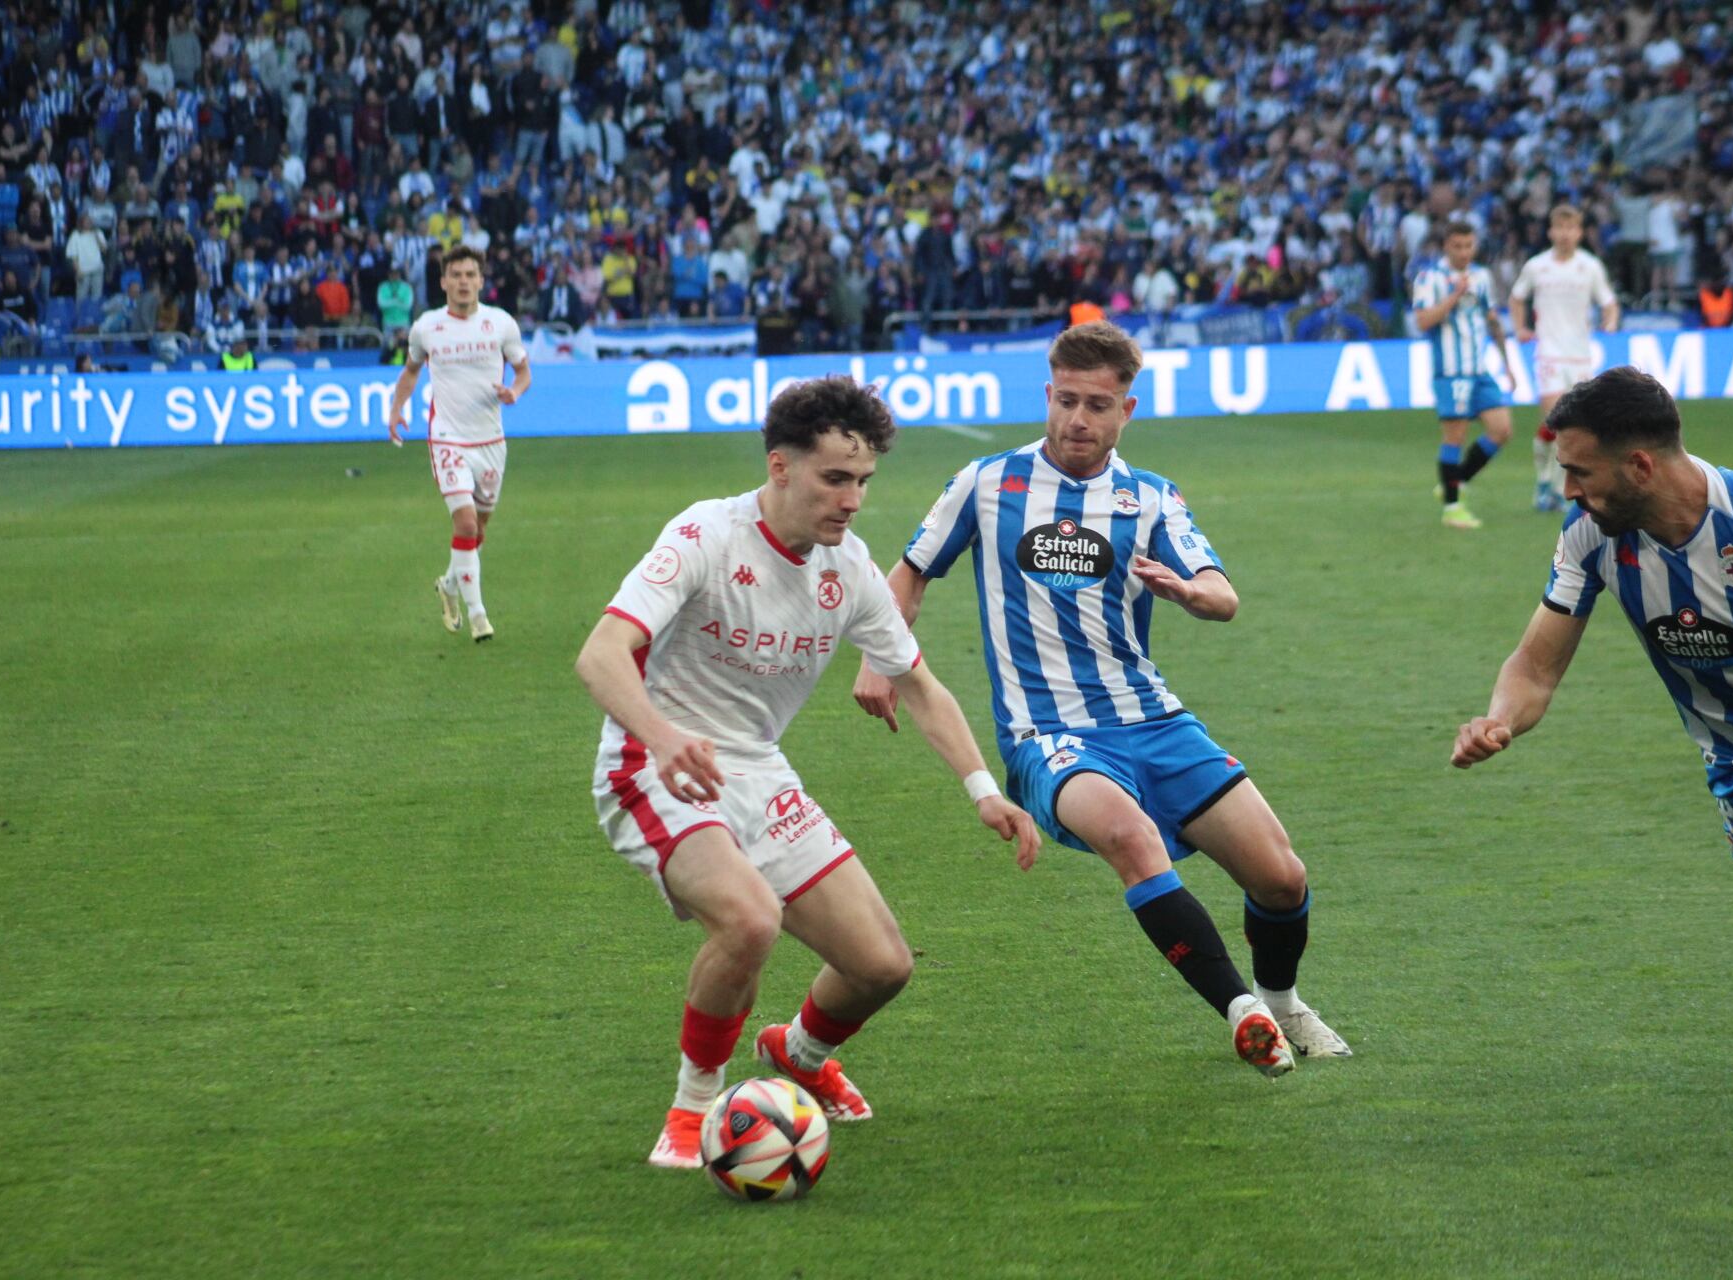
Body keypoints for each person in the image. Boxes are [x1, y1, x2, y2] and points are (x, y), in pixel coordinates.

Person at [852, 322, 1349, 1078]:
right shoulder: (987, 483)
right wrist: (878, 659)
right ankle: (1238, 1009)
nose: (1078, 419)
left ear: (1127, 411)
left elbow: (1224, 597)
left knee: (1282, 877)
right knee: (1128, 836)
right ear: (1047, 396)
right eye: (1066, 400)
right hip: (1046, 733)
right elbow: (910, 574)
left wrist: (1189, 592)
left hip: (1151, 717)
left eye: (1098, 405)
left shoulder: (1149, 498)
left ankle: (1281, 1000)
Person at [576, 376, 1039, 1169]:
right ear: (781, 467)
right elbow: (600, 655)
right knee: (750, 919)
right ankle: (694, 1108)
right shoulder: (705, 536)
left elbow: (920, 686)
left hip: (757, 771)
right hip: (653, 765)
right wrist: (658, 737)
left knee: (882, 965)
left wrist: (985, 792)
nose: (853, 500)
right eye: (835, 478)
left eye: (863, 481)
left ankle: (797, 1051)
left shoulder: (849, 570)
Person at [1452, 367, 1733, 1128]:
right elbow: (1534, 665)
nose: (1568, 490)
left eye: (1578, 471)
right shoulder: (1591, 536)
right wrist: (1499, 720)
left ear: (1641, 466)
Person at [386, 245, 533, 643]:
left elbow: (523, 371)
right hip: (447, 437)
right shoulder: (427, 326)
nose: (464, 282)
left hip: (490, 440)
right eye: (456, 275)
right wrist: (397, 407)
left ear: (481, 281)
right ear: (443, 282)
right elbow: (410, 371)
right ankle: (478, 615)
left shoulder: (500, 323)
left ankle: (450, 585)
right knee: (465, 522)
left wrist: (514, 392)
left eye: (470, 275)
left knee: (478, 530)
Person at [1508, 206, 1620, 513]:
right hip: (1549, 355)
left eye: (1572, 228)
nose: (1566, 234)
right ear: (1551, 232)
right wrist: (1519, 328)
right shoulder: (1537, 266)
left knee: (1576, 427)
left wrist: (1610, 322)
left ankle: (1554, 487)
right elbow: (1516, 297)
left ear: (1580, 232)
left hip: (1580, 358)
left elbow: (1609, 303)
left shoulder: (1590, 266)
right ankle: (1548, 484)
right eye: (1560, 227)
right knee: (1556, 420)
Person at [1413, 222, 1515, 530]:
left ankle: (1453, 483)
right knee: (1454, 436)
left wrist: (1507, 362)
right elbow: (1422, 321)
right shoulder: (1429, 278)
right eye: (1457, 246)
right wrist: (1454, 296)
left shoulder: (1482, 276)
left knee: (1502, 430)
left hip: (1479, 369)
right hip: (1451, 371)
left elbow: (1491, 319)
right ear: (1445, 246)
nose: (1463, 252)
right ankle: (1453, 509)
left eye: (1468, 245)